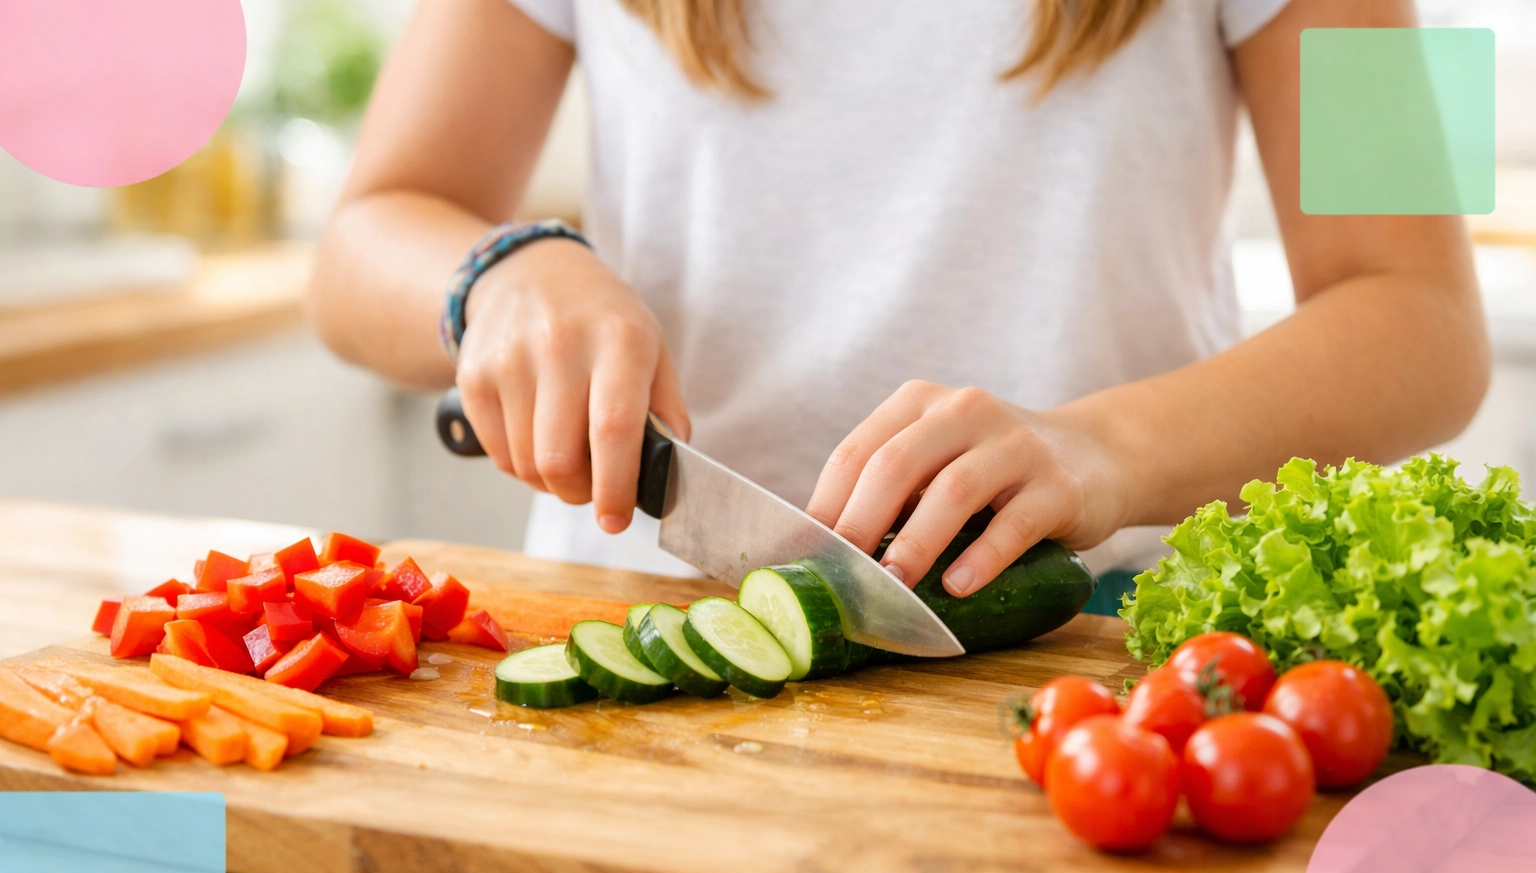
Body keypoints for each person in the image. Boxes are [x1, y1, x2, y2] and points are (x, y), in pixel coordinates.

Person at [311, 0, 1488, 601]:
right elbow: (365, 238)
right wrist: (498, 274)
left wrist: (1102, 447)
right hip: (641, 611)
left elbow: (1423, 316)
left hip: (1089, 649)